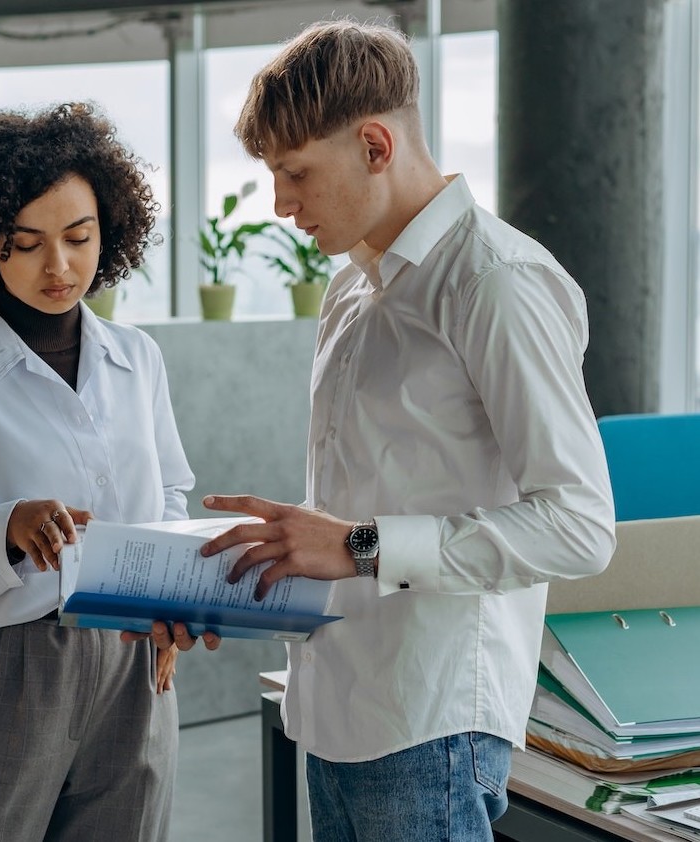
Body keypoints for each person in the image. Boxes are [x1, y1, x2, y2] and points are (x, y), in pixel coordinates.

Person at [197, 18, 616, 842]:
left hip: (430, 722)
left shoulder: (495, 282)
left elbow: (578, 525)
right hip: (335, 703)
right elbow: (360, 510)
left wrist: (356, 545)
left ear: (375, 146)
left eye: (295, 175)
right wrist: (280, 560)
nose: (280, 206)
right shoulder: (351, 288)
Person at [0, 102, 197, 841]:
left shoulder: (137, 358)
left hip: (134, 657)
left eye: (79, 237)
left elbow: (170, 492)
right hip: (5, 666)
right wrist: (6, 530)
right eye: (27, 244)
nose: (59, 266)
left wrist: (172, 601)